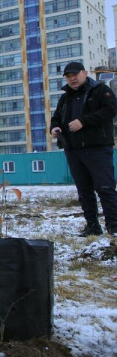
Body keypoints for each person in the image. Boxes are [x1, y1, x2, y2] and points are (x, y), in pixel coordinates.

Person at [50, 61, 117, 237]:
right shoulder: (66, 98)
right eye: (68, 77)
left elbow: (111, 110)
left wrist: (84, 121)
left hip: (97, 148)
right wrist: (55, 128)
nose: (72, 79)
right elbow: (56, 118)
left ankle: (114, 226)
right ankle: (92, 225)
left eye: (75, 75)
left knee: (105, 187)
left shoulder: (101, 91)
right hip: (73, 150)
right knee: (84, 190)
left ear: (85, 73)